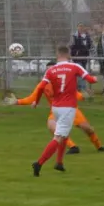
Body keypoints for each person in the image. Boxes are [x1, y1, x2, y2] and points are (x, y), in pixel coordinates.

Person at [6, 61, 104, 154]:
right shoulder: (43, 85)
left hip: (71, 109)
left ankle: (99, 146)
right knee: (52, 126)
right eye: (48, 70)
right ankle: (73, 147)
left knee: (87, 129)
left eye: (52, 68)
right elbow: (32, 98)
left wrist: (84, 96)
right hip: (55, 111)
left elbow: (75, 95)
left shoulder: (64, 83)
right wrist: (17, 101)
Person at [30, 46, 97, 177]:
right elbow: (90, 79)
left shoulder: (51, 69)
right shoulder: (74, 66)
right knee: (59, 137)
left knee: (64, 135)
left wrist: (36, 102)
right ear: (68, 54)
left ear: (57, 55)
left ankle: (59, 163)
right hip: (68, 107)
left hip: (56, 107)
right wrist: (95, 80)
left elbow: (41, 87)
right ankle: (39, 163)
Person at [69, 23, 93, 91]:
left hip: (85, 57)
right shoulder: (74, 36)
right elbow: (71, 46)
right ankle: (81, 88)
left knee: (83, 72)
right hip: (77, 58)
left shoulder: (87, 37)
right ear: (77, 27)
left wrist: (88, 52)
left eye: (82, 26)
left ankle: (81, 88)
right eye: (79, 26)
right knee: (79, 72)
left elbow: (90, 46)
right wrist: (76, 52)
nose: (81, 28)